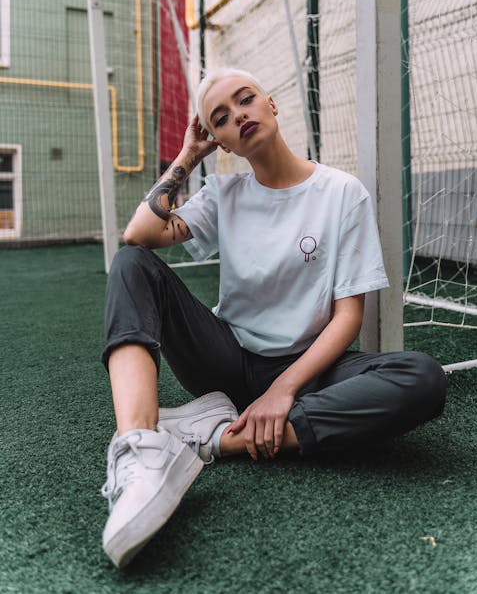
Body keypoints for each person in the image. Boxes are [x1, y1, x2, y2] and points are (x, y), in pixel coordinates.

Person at [100, 67, 446, 568]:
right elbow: (138, 235)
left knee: (422, 378)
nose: (237, 115)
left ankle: (213, 439)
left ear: (271, 104)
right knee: (131, 264)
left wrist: (282, 390)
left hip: (309, 371)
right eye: (220, 118)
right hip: (226, 361)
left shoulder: (341, 193)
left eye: (245, 100)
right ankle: (142, 445)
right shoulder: (226, 196)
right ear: (219, 139)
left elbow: (348, 316)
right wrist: (186, 156)